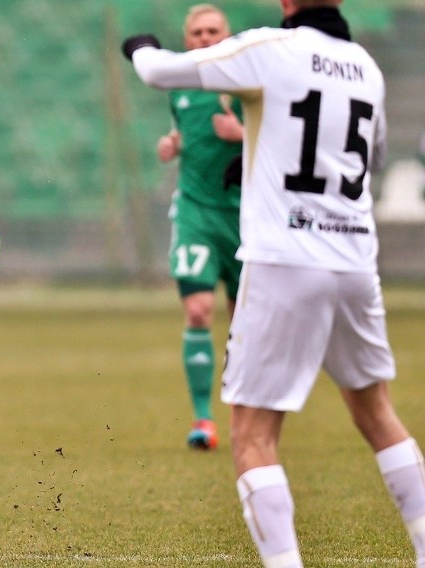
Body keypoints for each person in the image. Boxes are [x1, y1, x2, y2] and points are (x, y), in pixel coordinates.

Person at [123, 1, 425, 566]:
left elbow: (158, 71)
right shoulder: (365, 65)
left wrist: (138, 44)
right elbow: (373, 157)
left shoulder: (271, 49)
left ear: (287, 3)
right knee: (376, 414)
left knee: (253, 437)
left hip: (286, 259)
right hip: (356, 262)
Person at [154, 4, 244, 451]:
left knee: (245, 324)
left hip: (248, 218)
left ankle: (244, 414)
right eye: (197, 32)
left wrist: (243, 135)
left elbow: (285, 144)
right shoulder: (180, 85)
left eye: (213, 31)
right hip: (195, 214)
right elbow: (184, 132)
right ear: (187, 39)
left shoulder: (250, 84)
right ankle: (203, 419)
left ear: (228, 36)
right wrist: (175, 143)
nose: (205, 38)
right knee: (197, 311)